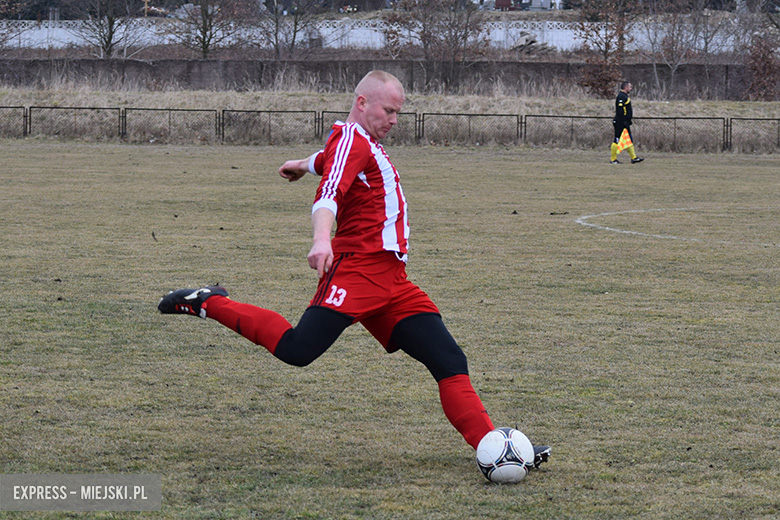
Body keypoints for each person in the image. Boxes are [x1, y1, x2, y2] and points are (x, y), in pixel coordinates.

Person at [158, 70, 550, 472]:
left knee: (449, 359)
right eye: (389, 110)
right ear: (362, 102)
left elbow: (330, 161)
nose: (394, 119)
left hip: (392, 281)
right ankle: (208, 302)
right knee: (297, 350)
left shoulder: (358, 143)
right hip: (358, 272)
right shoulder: (351, 138)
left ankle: (498, 448)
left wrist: (299, 162)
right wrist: (321, 239)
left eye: (399, 112)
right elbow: (330, 192)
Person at [610, 81, 644, 164]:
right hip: (620, 122)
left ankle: (634, 158)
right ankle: (613, 159)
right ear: (626, 88)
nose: (631, 88)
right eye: (630, 87)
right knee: (617, 140)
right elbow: (620, 111)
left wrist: (628, 120)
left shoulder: (625, 96)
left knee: (629, 139)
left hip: (624, 122)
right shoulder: (621, 96)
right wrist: (624, 121)